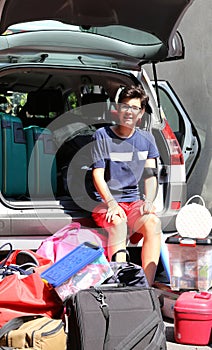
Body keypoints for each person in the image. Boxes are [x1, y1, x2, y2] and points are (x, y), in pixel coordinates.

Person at [91, 85, 161, 286]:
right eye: (125, 107)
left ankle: (145, 288)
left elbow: (150, 176)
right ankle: (120, 283)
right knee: (118, 222)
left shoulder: (147, 139)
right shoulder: (102, 135)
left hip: (133, 202)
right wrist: (112, 204)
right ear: (117, 109)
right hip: (106, 201)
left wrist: (148, 201)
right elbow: (98, 175)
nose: (129, 112)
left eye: (134, 108)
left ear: (140, 113)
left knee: (153, 223)